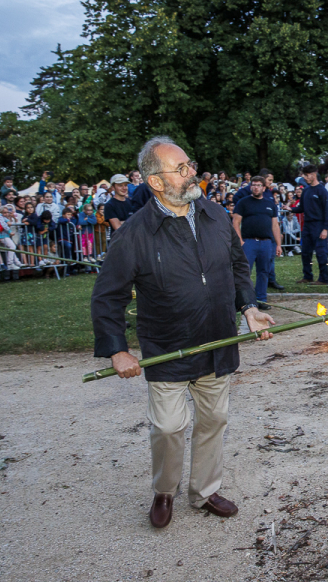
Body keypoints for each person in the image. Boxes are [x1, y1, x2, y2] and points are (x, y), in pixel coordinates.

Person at [91, 136, 275, 529]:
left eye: (189, 164)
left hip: (216, 341)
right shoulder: (134, 234)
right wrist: (117, 350)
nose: (192, 172)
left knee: (213, 421)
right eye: (181, 169)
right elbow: (108, 298)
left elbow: (237, 267)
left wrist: (249, 308)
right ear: (156, 182)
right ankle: (164, 490)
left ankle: (204, 492)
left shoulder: (215, 214)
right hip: (168, 347)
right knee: (169, 426)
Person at [232, 176, 282, 309]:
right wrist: (240, 240)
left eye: (259, 185)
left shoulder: (270, 204)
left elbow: (275, 225)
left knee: (264, 272)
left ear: (264, 188)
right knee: (244, 272)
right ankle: (243, 301)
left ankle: (261, 300)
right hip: (249, 242)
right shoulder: (243, 202)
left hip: (266, 243)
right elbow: (236, 222)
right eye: (253, 185)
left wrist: (278, 244)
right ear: (250, 187)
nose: (256, 187)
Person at [290, 164, 328, 285]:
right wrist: (291, 209)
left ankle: (324, 278)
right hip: (307, 225)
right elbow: (302, 208)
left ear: (313, 175)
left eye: (306, 176)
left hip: (318, 225)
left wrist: (325, 229)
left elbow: (327, 211)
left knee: (321, 252)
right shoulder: (306, 190)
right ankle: (307, 276)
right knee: (305, 252)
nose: (305, 178)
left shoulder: (322, 190)